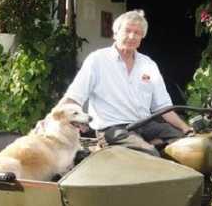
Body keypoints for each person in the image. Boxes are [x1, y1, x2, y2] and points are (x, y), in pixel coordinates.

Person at [60, 9, 191, 156]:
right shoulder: (97, 60)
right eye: (127, 30)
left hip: (144, 125)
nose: (132, 36)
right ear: (115, 34)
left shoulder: (148, 64)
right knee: (149, 154)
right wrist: (53, 119)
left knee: (186, 143)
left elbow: (163, 107)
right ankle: (148, 147)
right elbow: (74, 96)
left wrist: (185, 129)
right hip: (112, 129)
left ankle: (151, 144)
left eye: (137, 33)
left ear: (142, 37)